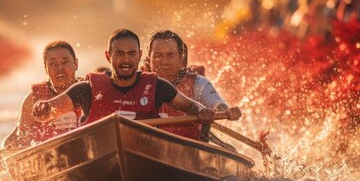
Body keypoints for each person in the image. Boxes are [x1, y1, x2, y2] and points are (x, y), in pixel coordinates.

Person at [32, 29, 238, 128]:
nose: (125, 60)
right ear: (108, 57)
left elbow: (194, 107)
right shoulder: (86, 89)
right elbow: (51, 109)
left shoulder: (158, 87)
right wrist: (43, 108)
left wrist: (206, 112)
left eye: (131, 54)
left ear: (139, 57)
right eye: (119, 54)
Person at [143, 30, 240, 141]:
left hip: (190, 148)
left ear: (181, 59)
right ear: (148, 59)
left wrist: (227, 112)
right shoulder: (138, 81)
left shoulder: (198, 83)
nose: (164, 62)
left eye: (170, 55)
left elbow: (217, 105)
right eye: (158, 55)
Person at [2, 41, 81, 149]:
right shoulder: (33, 101)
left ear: (76, 64)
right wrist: (1, 154)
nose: (59, 68)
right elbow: (18, 137)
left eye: (65, 62)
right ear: (45, 69)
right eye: (53, 64)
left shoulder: (89, 91)